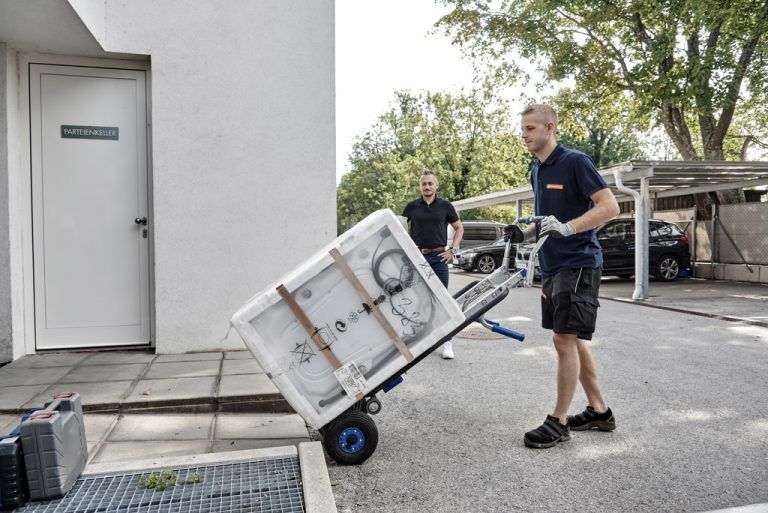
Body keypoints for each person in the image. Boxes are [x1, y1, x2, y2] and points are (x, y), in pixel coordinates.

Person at [504, 104, 620, 449]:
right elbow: (546, 221)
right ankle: (600, 411)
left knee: (563, 339)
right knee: (574, 339)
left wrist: (569, 228)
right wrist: (526, 234)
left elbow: (609, 206)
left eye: (530, 128)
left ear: (550, 128)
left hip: (579, 261)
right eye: (523, 129)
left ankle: (558, 422)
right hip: (553, 266)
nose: (524, 135)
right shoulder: (537, 170)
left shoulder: (575, 162)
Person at [402, 169, 464, 359]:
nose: (427, 187)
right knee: (418, 298)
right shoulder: (411, 207)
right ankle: (419, 339)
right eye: (424, 184)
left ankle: (447, 342)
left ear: (436, 185)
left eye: (430, 183)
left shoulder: (445, 206)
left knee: (442, 300)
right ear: (420, 186)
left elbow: (459, 228)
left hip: (439, 258)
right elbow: (400, 229)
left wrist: (452, 250)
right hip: (417, 259)